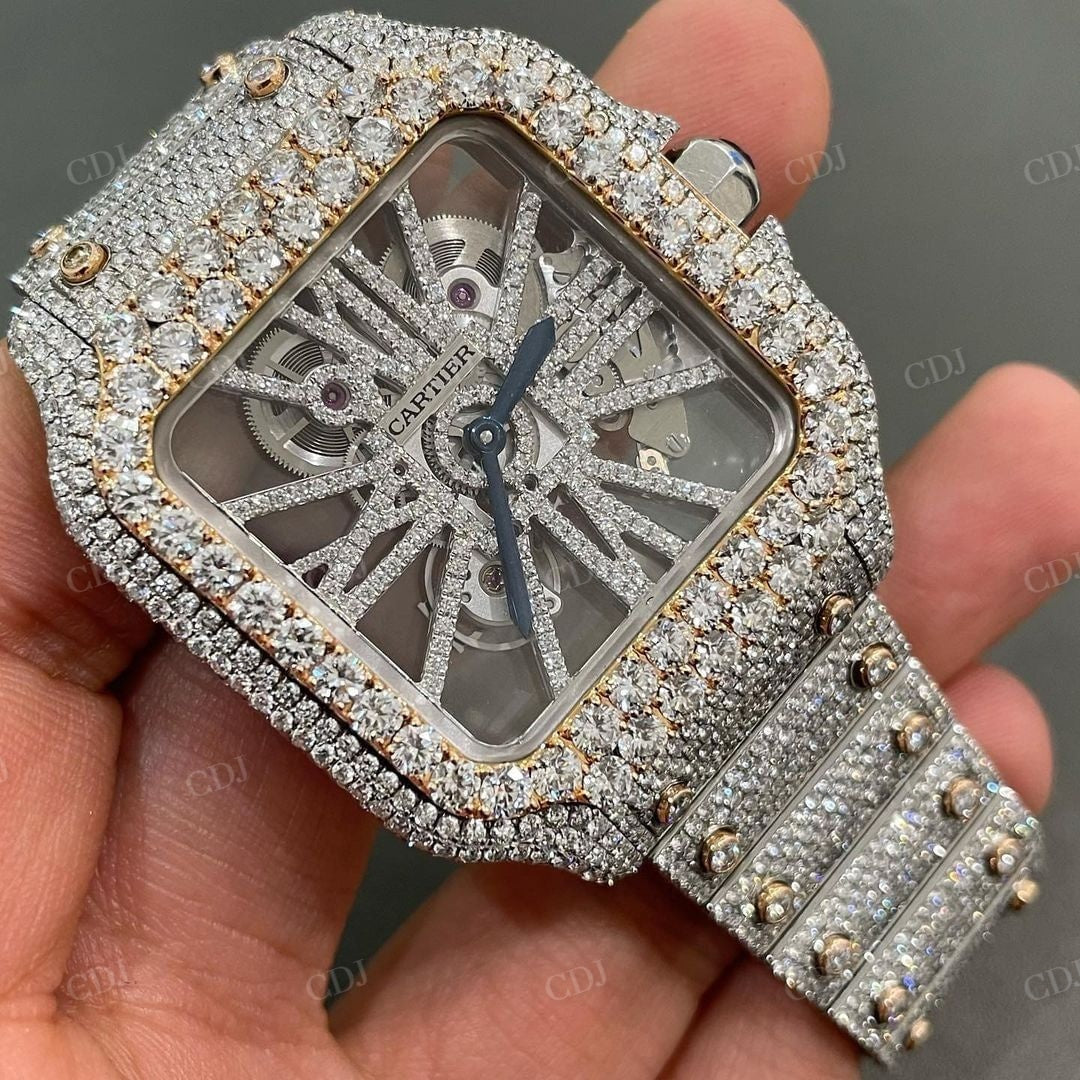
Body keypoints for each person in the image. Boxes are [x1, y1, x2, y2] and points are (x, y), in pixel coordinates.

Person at [0, 1, 1069, 1075]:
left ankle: (939, 895)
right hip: (582, 704)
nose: (477, 433)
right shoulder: (122, 418)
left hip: (731, 578)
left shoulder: (414, 112)